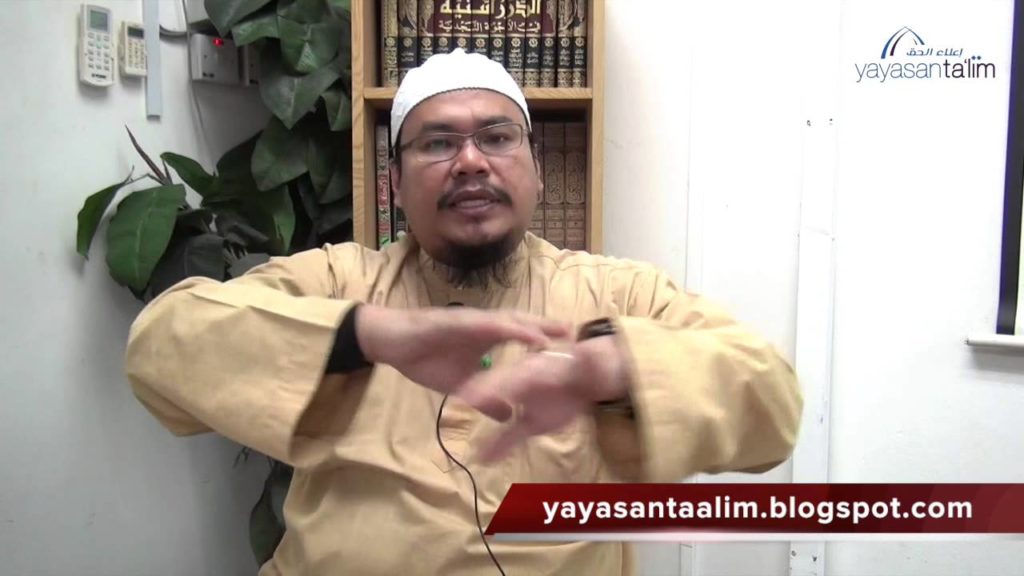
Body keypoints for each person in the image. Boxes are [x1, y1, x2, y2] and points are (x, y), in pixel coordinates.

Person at [124, 48, 802, 576]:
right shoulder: (339, 280)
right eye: (438, 143)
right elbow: (161, 345)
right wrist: (366, 336)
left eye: (497, 138)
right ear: (394, 182)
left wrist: (608, 368)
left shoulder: (616, 296)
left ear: (537, 170)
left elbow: (772, 404)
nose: (471, 162)